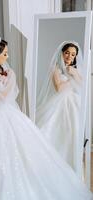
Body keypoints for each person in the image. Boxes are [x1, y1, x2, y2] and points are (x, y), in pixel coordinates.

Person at [0, 36, 92, 200]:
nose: (7, 57)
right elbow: (0, 97)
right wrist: (12, 78)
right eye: (5, 54)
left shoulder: (0, 71)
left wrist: (9, 79)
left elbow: (11, 93)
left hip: (7, 113)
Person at [36, 41, 83, 171]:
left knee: (71, 135)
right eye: (67, 53)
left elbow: (83, 86)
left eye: (73, 54)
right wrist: (72, 77)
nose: (69, 57)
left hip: (73, 105)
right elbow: (59, 88)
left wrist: (74, 73)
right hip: (58, 104)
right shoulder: (55, 68)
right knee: (53, 132)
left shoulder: (75, 70)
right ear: (62, 53)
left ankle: (70, 168)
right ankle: (51, 167)